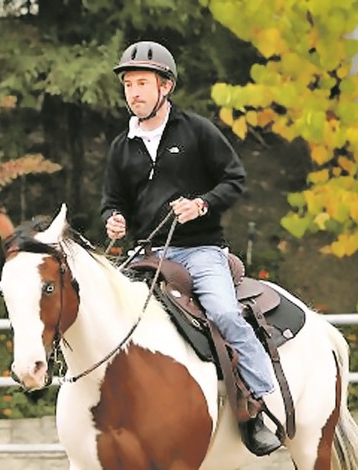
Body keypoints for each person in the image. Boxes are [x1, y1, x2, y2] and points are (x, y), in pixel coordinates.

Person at [100, 40, 281, 456]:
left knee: (222, 311)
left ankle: (261, 403)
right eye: (128, 85)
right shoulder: (120, 146)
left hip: (200, 251)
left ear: (166, 86)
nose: (134, 93)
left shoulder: (197, 130)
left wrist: (201, 204)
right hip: (146, 255)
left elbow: (234, 179)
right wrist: (113, 219)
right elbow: (113, 200)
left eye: (142, 83)